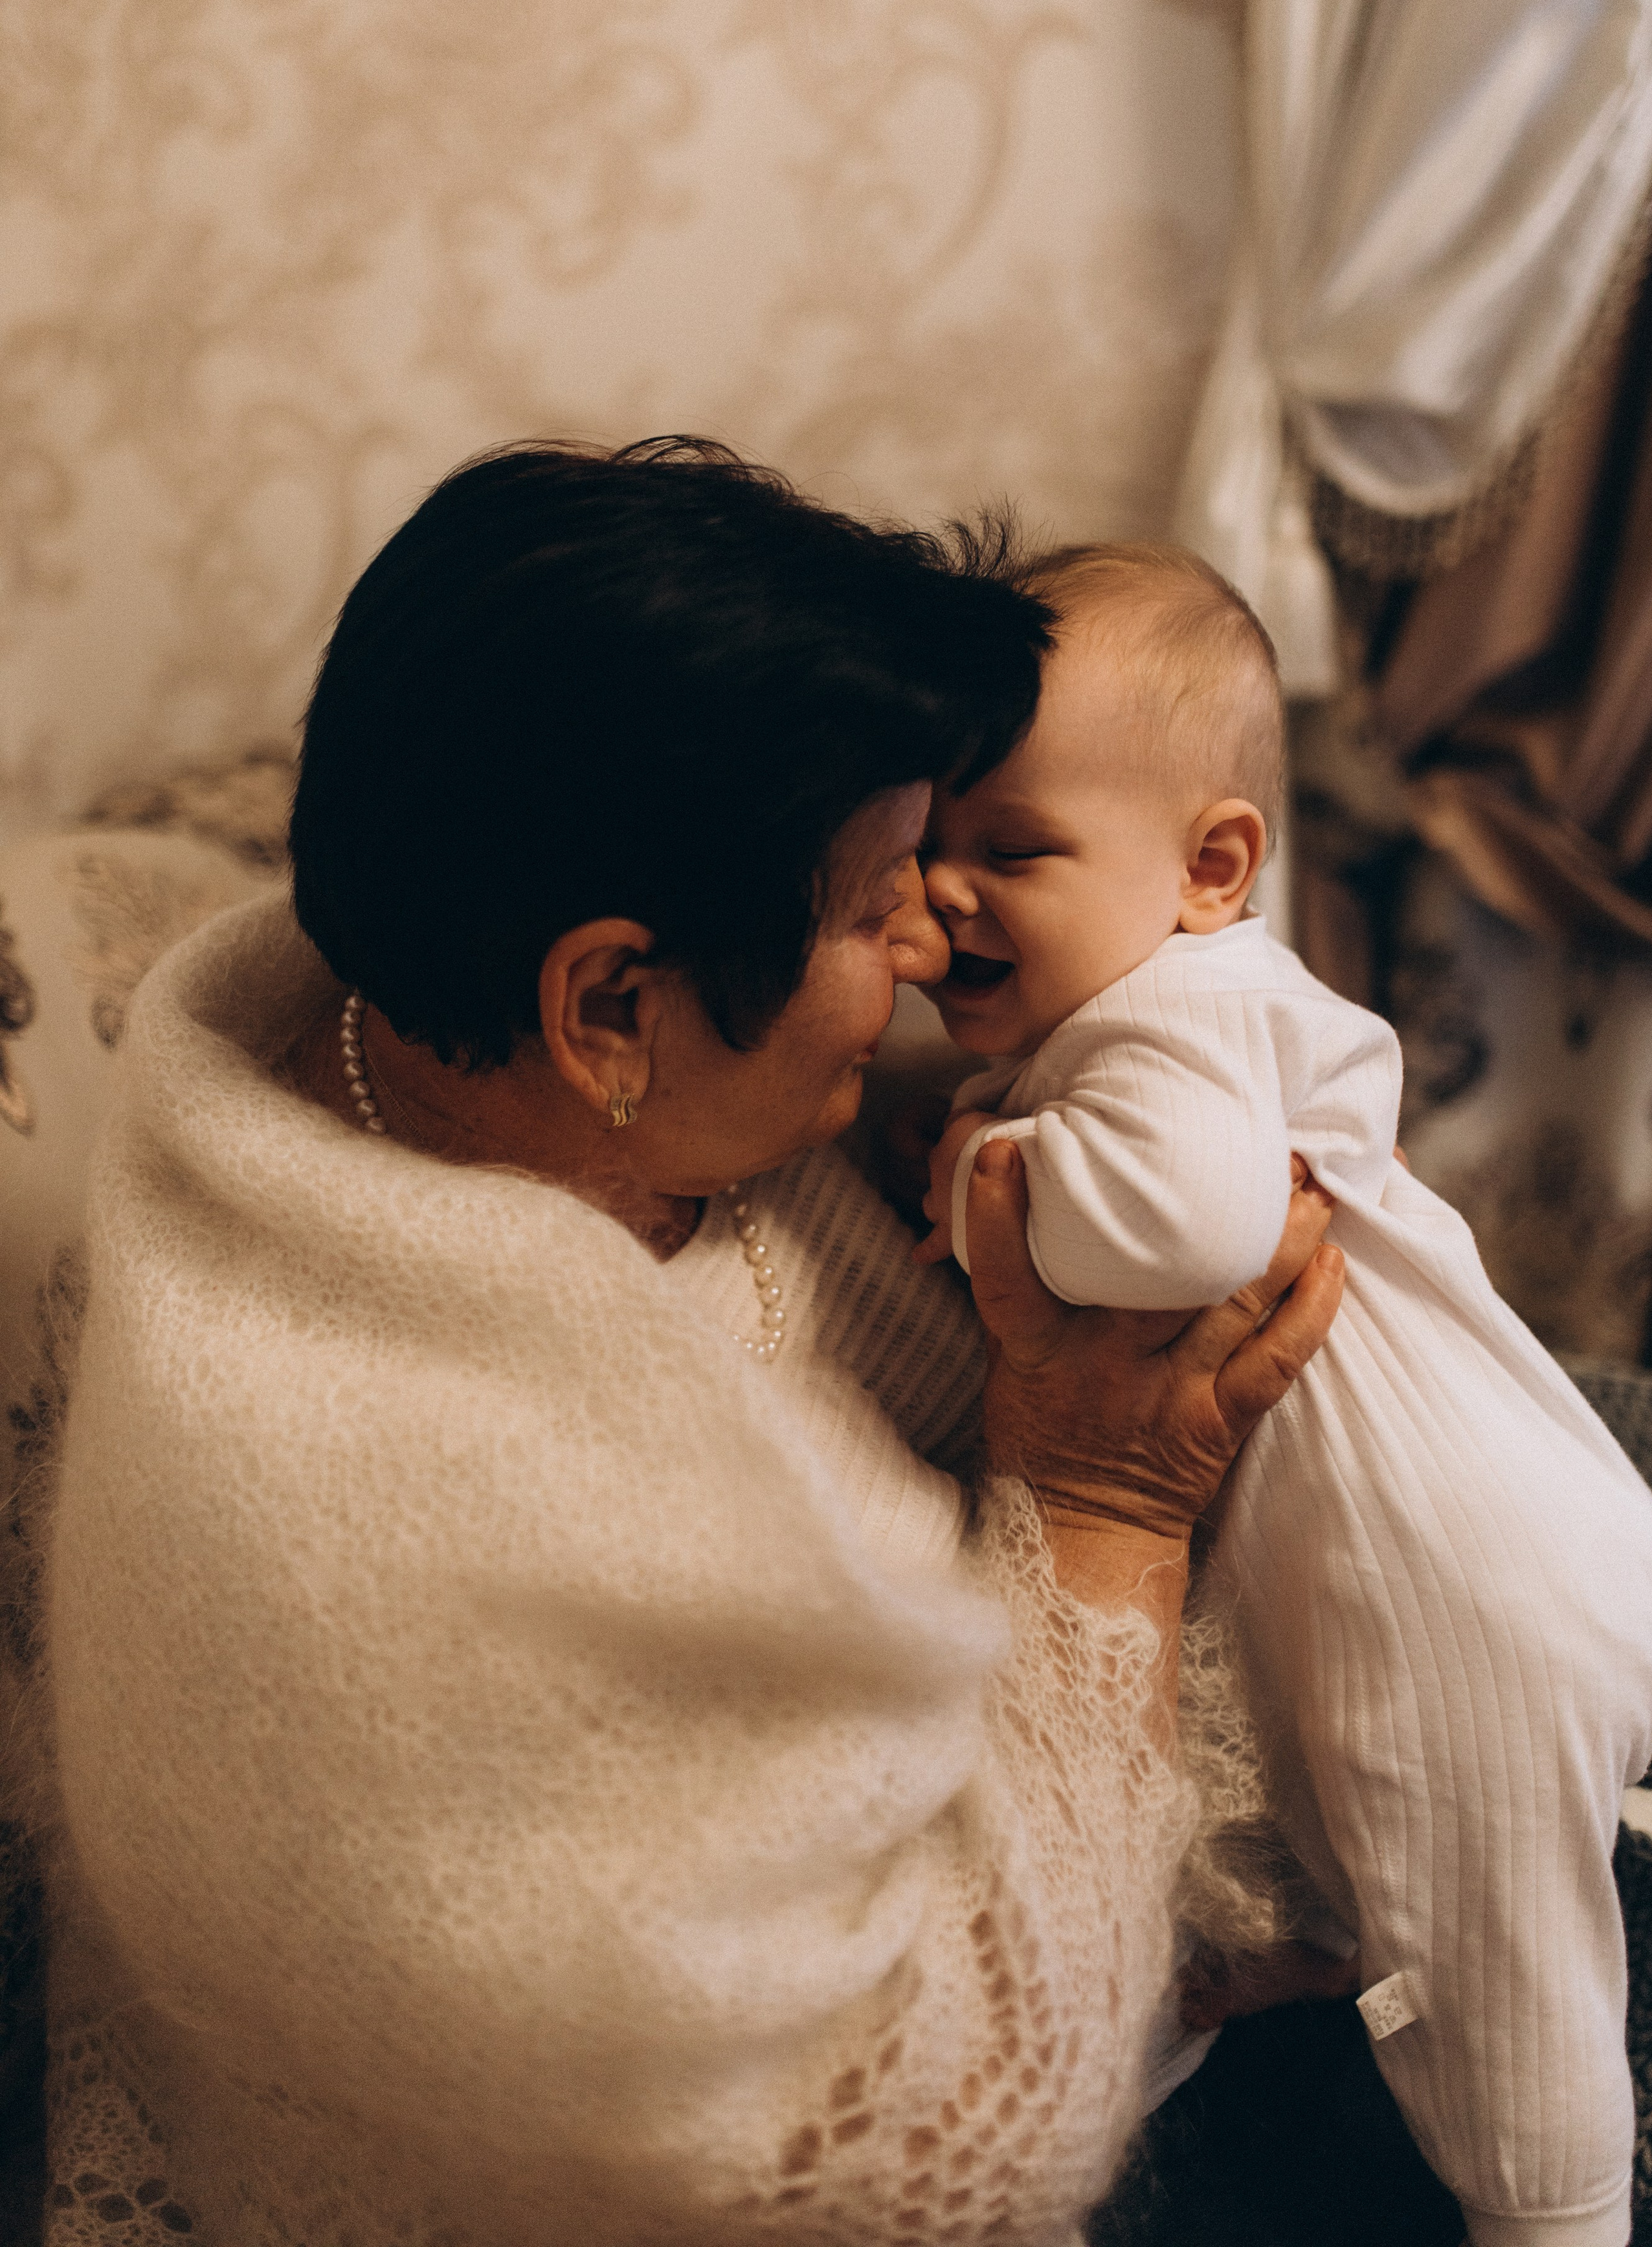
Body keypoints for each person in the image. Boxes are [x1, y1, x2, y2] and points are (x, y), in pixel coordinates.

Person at [42, 445, 1343, 2247]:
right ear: (610, 1005)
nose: (927, 941)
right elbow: (964, 2145)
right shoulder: (403, 1512)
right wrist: (1104, 1500)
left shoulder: (514, 1051)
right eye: (884, 888)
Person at [918, 539, 1652, 2247]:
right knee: (1388, 1852)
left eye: (1009, 849)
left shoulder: (1164, 1021)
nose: (949, 897)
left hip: (1453, 1591)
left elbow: (1193, 1221)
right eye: (929, 848)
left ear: (1210, 866)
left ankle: (1557, 2215)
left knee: (1493, 1968)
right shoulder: (1178, 1002)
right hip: (1515, 1517)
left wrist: (978, 1174)